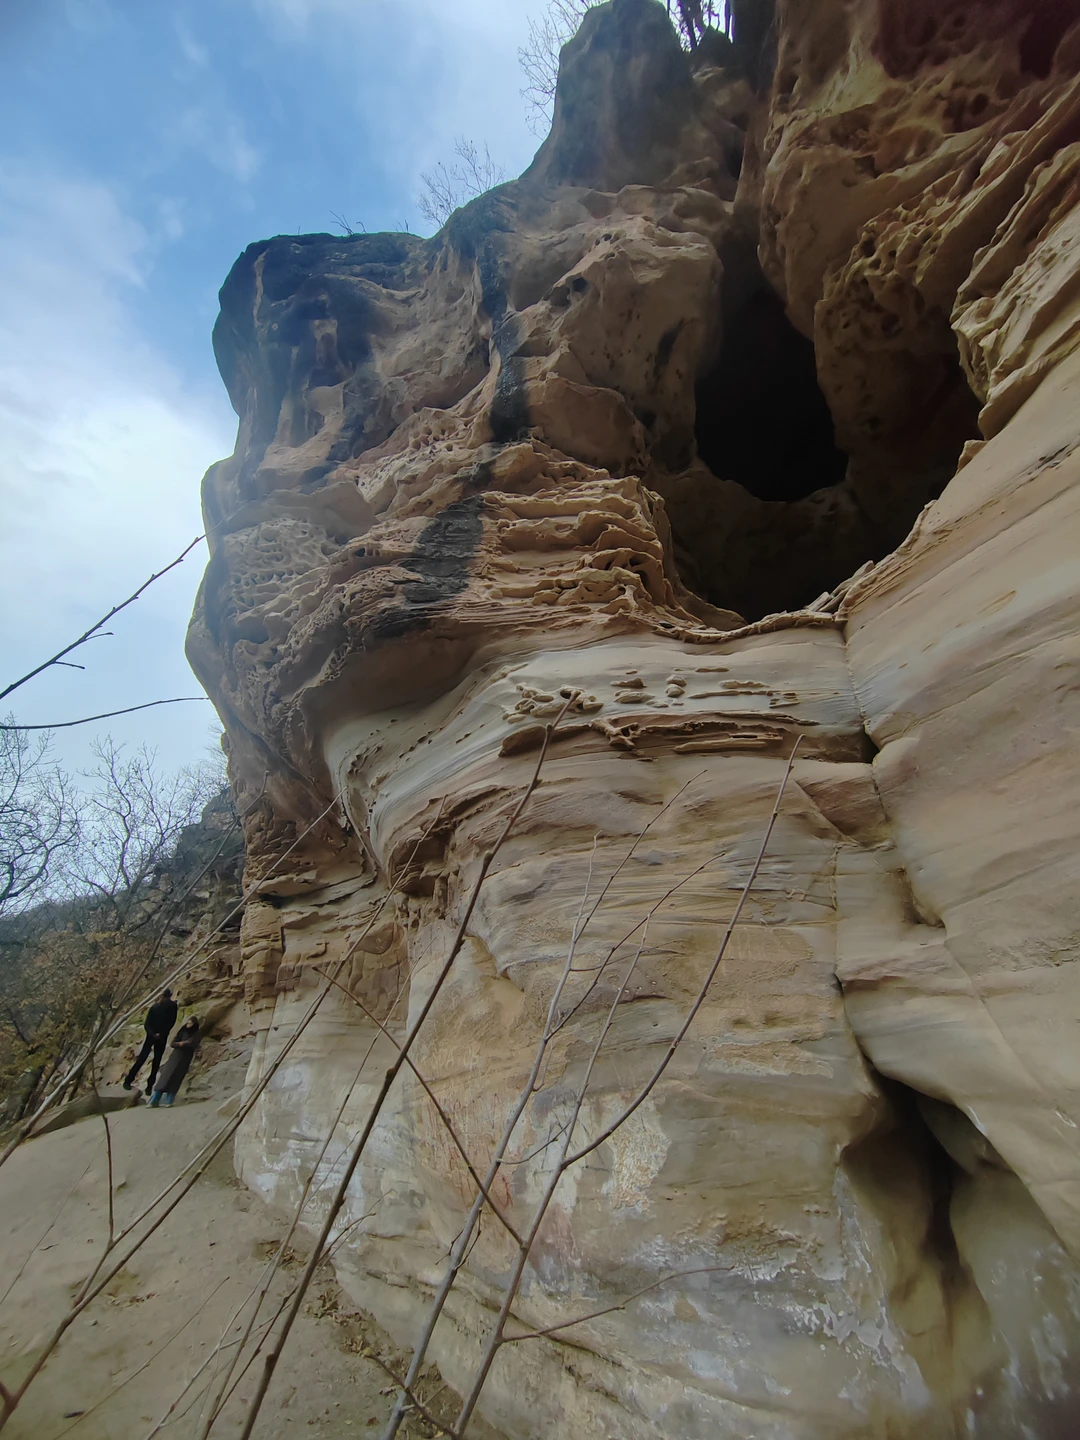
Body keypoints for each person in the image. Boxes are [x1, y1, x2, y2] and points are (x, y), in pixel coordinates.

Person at [123, 988, 178, 1093]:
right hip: (159, 1036)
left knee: (147, 1060)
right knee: (152, 1060)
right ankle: (144, 1085)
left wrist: (154, 1033)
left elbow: (148, 1023)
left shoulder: (158, 1007)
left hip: (154, 1036)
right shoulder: (168, 1007)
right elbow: (171, 1022)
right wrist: (159, 1034)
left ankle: (132, 1081)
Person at [148, 1017, 201, 1107]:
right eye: (188, 1023)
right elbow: (173, 1043)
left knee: (177, 1078)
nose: (188, 1025)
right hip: (175, 1056)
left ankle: (169, 1101)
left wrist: (185, 1044)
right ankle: (154, 1100)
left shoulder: (196, 1033)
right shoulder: (182, 1031)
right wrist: (179, 1044)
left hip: (185, 1058)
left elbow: (193, 1044)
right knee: (165, 1076)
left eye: (190, 1024)